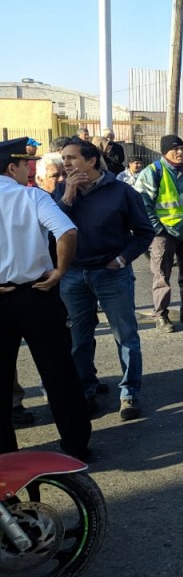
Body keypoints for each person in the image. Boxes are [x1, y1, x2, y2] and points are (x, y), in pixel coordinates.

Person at [0, 138, 92, 460]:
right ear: (11, 167)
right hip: (37, 293)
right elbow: (67, 232)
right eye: (25, 165)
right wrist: (60, 271)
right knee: (58, 372)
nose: (29, 170)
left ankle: (5, 456)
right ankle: (76, 444)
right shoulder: (33, 196)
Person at [54, 139, 154, 420]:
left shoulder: (121, 191)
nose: (66, 163)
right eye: (64, 158)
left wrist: (122, 259)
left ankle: (129, 393)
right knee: (79, 339)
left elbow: (144, 232)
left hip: (112, 274)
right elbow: (53, 229)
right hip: (74, 275)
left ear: (92, 161)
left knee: (125, 335)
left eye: (72, 158)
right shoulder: (61, 191)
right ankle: (85, 390)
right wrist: (68, 197)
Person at [136, 134, 183, 332]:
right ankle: (161, 315)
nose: (180, 152)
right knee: (162, 275)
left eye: (182, 149)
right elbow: (142, 204)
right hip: (164, 233)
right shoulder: (153, 172)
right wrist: (158, 229)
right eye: (175, 149)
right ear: (164, 152)